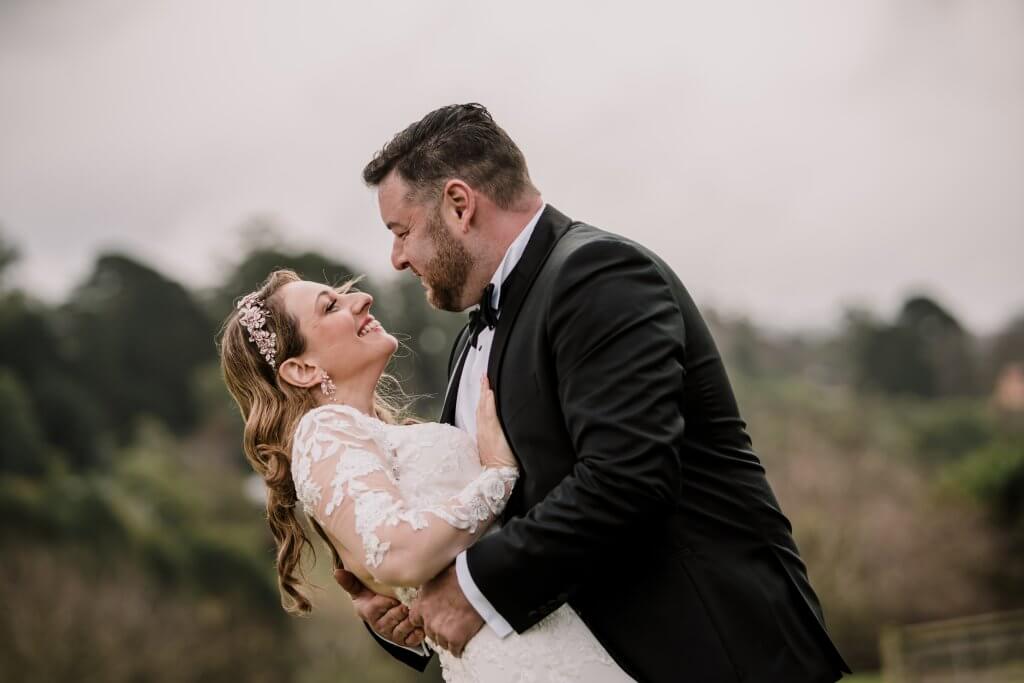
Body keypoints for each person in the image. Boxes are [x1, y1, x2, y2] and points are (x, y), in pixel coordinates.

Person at [338, 103, 851, 682]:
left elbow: (630, 476)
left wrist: (472, 588)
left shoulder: (598, 274)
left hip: (711, 655)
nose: (397, 258)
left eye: (402, 231)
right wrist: (411, 612)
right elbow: (492, 516)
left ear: (459, 205)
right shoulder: (472, 340)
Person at [219, 269, 635, 681]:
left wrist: (401, 612)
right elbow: (399, 553)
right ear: (302, 370)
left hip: (559, 633)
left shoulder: (379, 438)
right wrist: (498, 475)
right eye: (331, 306)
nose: (362, 299)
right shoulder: (323, 431)